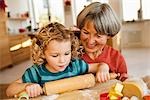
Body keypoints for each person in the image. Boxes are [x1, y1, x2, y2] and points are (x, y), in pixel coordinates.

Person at [6, 22, 107, 98]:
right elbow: (10, 90)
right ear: (43, 53)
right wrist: (28, 86)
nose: (62, 60)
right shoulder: (37, 72)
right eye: (55, 55)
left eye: (67, 53)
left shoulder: (75, 66)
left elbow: (100, 65)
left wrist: (103, 69)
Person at [76, 2, 128, 82]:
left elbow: (125, 85)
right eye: (85, 32)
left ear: (109, 35)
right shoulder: (71, 55)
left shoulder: (116, 58)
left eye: (98, 36)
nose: (90, 41)